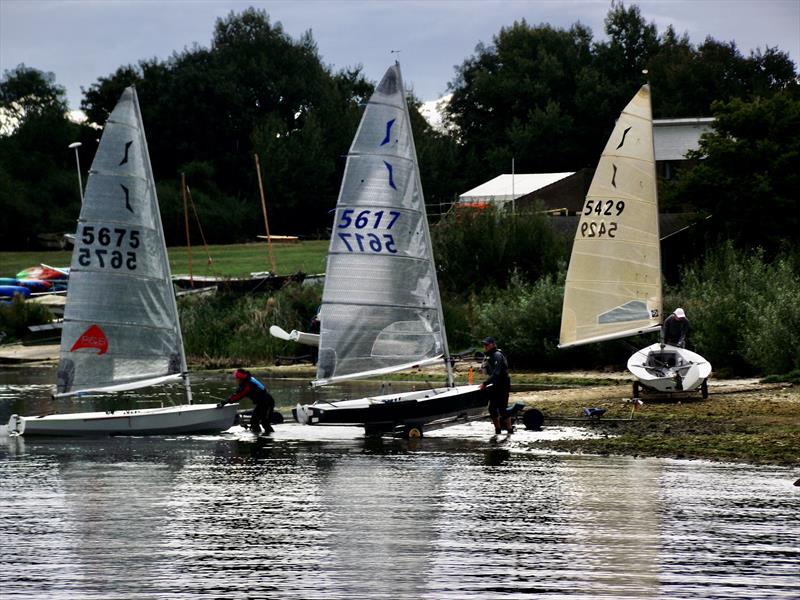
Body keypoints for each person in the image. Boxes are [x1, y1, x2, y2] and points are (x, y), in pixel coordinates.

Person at [219, 368, 275, 433]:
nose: (236, 380)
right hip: (261, 404)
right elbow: (237, 393)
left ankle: (269, 440)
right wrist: (226, 401)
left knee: (265, 423)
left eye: (236, 378)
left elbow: (237, 396)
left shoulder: (247, 385)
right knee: (254, 422)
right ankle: (257, 438)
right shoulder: (249, 380)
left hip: (268, 403)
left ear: (240, 378)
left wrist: (224, 402)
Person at [480, 336, 513, 434]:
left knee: (502, 409)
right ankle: (497, 430)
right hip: (494, 384)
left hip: (502, 384)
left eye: (487, 344)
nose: (485, 346)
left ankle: (510, 430)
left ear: (493, 344)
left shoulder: (497, 355)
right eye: (484, 345)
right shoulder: (489, 355)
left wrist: (485, 383)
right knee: (492, 408)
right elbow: (490, 372)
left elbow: (497, 373)